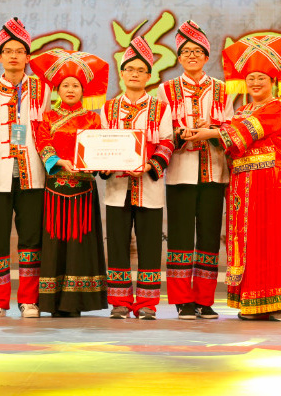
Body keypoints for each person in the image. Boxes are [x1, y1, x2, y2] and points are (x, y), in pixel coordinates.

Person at [183, 35, 281, 321]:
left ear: (273, 81)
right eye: (251, 79)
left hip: (269, 181)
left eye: (261, 78)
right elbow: (231, 132)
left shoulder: (277, 108)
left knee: (271, 239)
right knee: (246, 242)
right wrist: (210, 127)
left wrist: (212, 132)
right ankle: (252, 301)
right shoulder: (242, 110)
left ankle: (280, 303)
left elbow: (247, 132)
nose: (255, 83)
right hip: (242, 182)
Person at [157, 20, 234, 320]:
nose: (192, 56)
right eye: (186, 51)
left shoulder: (223, 90)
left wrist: (211, 128)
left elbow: (230, 129)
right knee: (179, 238)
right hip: (180, 172)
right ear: (179, 57)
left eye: (197, 51)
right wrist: (180, 133)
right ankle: (181, 299)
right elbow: (162, 132)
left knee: (209, 239)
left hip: (214, 172)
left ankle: (204, 299)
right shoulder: (165, 90)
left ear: (206, 56)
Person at [0, 17, 51, 318]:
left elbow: (48, 131)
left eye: (20, 51)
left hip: (32, 175)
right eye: (8, 51)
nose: (14, 56)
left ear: (28, 57)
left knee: (31, 238)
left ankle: (29, 300)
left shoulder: (42, 90)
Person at [31, 49, 110, 317]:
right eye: (65, 85)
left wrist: (100, 163)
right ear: (57, 90)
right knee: (56, 244)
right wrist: (58, 161)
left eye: (75, 85)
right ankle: (53, 301)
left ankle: (76, 302)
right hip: (55, 190)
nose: (71, 89)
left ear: (83, 91)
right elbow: (43, 143)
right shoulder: (47, 117)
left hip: (84, 190)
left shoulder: (94, 119)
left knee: (80, 245)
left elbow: (99, 150)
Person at [102, 36, 174, 320]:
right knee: (117, 245)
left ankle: (147, 303)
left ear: (149, 76)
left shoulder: (161, 108)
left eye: (140, 70)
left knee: (149, 246)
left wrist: (148, 166)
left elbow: (167, 142)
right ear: (122, 73)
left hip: (149, 187)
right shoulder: (108, 108)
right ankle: (119, 302)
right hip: (117, 188)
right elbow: (101, 144)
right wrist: (105, 165)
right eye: (129, 69)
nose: (134, 74)